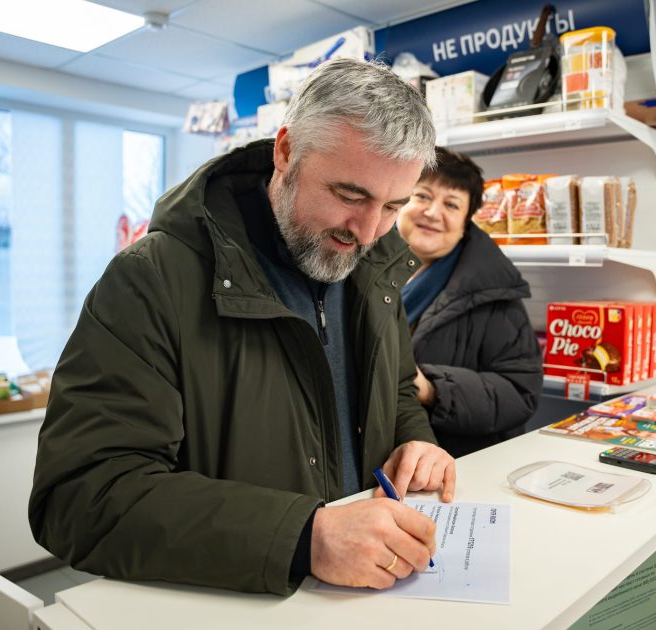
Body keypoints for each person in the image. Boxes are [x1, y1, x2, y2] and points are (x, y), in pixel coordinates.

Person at [28, 58, 455, 597]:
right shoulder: (153, 278)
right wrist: (304, 537)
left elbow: (394, 390)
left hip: (360, 597)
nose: (369, 230)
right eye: (349, 196)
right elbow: (80, 497)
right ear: (285, 152)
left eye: (393, 205)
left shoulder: (375, 266)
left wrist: (418, 442)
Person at [396, 147, 543, 457]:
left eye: (451, 204)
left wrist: (432, 388)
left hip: (458, 466)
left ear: (466, 223)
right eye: (422, 196)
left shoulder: (493, 291)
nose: (433, 213)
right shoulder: (354, 270)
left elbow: (520, 393)